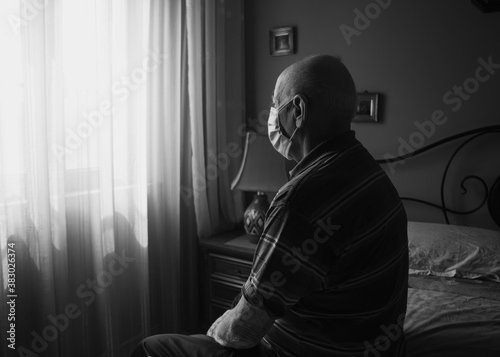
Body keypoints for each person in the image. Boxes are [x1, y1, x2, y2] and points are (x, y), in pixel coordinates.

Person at [131, 55, 408, 357]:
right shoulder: (370, 173)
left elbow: (243, 329)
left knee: (150, 347)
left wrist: (215, 332)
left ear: (298, 110)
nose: (273, 114)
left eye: (276, 104)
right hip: (382, 347)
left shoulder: (301, 199)